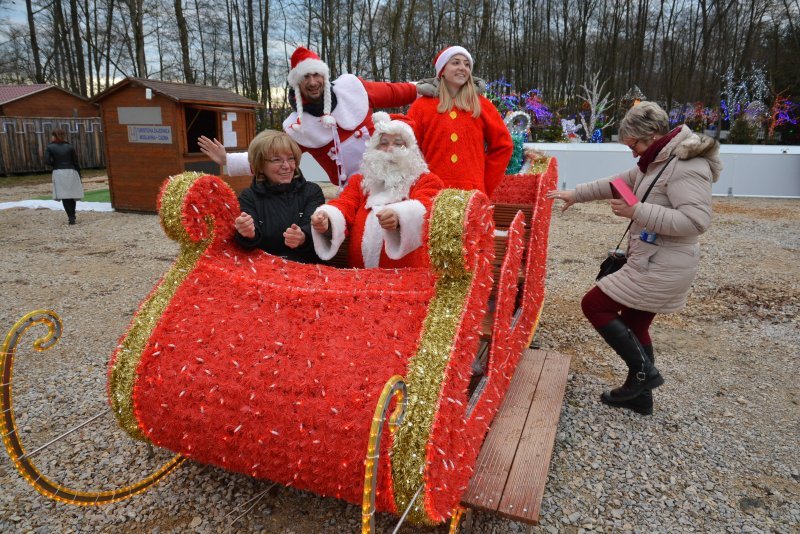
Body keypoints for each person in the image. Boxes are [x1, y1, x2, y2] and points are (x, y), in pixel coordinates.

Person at [546, 101, 723, 415]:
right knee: (634, 323)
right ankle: (640, 397)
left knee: (595, 304)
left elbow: (696, 222)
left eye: (635, 144)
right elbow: (618, 183)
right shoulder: (656, 160)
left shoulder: (685, 166)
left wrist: (637, 211)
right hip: (655, 259)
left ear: (654, 134)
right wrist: (576, 194)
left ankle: (644, 375)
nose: (633, 152)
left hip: (663, 263)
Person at [199, 47, 420, 188]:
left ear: (324, 76)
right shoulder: (297, 128)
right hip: (357, 190)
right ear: (297, 83)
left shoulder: (352, 89)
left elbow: (393, 92)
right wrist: (227, 160)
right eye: (306, 77)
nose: (313, 82)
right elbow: (272, 154)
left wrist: (421, 88)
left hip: (396, 174)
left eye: (316, 75)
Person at [309, 112, 443, 268]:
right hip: (359, 275)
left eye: (398, 143)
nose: (390, 149)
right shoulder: (361, 181)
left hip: (405, 277)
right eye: (384, 142)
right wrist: (327, 218)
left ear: (411, 149)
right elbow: (345, 204)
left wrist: (400, 218)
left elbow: (428, 210)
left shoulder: (426, 181)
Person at [407, 45, 513, 198]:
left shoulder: (481, 105)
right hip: (431, 193)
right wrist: (418, 185)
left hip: (472, 194)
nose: (462, 67)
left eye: (467, 64)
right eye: (455, 62)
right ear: (442, 70)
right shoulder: (421, 106)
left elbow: (503, 145)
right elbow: (409, 149)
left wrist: (485, 183)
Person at [233, 130, 325, 263]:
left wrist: (302, 237)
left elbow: (315, 230)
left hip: (307, 269)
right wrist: (248, 233)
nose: (287, 166)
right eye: (276, 160)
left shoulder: (311, 191)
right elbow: (249, 240)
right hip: (264, 272)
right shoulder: (249, 197)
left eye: (291, 158)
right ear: (260, 165)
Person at [45, 128, 83, 225]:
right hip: (72, 171)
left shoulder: (50, 147)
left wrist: (55, 162)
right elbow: (75, 162)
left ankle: (70, 217)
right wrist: (79, 174)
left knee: (65, 196)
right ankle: (73, 215)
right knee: (72, 194)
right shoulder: (69, 146)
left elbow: (47, 161)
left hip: (59, 171)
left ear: (54, 136)